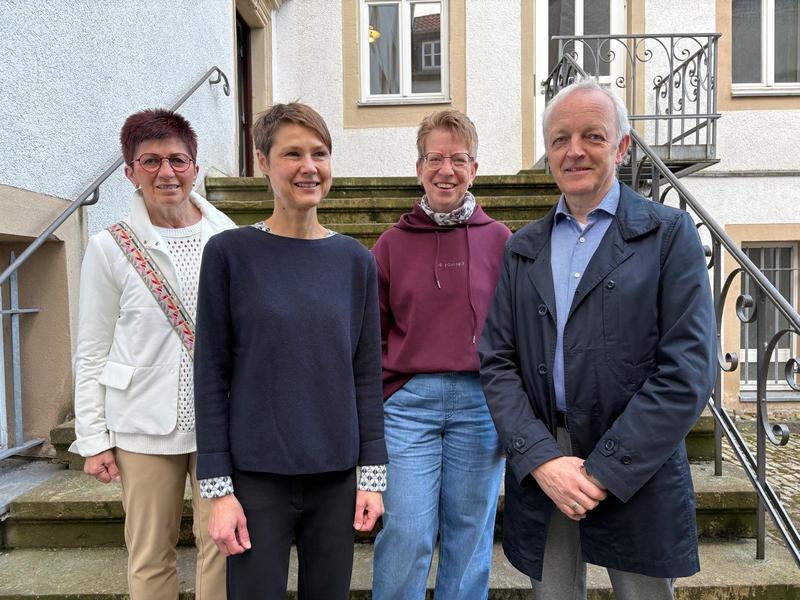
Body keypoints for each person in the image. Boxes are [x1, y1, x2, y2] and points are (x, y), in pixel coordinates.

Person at [478, 79, 716, 600]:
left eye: (593, 135)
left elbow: (688, 371)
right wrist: (541, 460)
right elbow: (497, 362)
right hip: (548, 461)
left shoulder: (668, 236)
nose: (575, 150)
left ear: (623, 146)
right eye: (560, 138)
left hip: (637, 460)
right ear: (547, 152)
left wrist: (604, 469)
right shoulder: (523, 248)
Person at [193, 102, 388, 600]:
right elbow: (211, 373)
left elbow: (366, 376)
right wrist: (218, 490)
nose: (309, 167)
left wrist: (371, 477)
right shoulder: (230, 254)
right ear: (263, 161)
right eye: (292, 154)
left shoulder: (355, 262)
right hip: (256, 478)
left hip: (336, 477)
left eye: (319, 153)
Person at [70, 109, 235, 600]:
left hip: (218, 424)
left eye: (178, 160)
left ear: (196, 166)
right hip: (141, 423)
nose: (167, 172)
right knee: (149, 557)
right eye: (151, 161)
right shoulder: (109, 247)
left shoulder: (229, 239)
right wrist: (92, 438)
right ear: (130, 171)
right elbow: (92, 349)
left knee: (222, 548)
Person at [370, 109, 510, 600]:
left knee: (469, 537)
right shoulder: (390, 244)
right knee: (407, 532)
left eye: (457, 159)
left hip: (480, 405)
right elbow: (373, 332)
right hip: (408, 406)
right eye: (434, 158)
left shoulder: (501, 240)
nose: (445, 169)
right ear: (418, 168)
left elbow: (511, 330)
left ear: (474, 168)